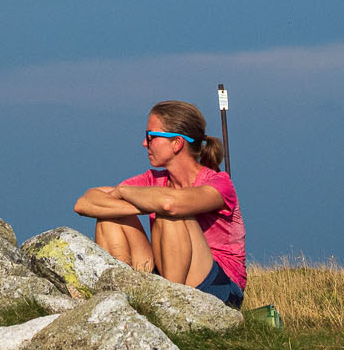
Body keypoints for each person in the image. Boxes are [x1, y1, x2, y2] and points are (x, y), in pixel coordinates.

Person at [73, 100, 246, 308]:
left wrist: (126, 193)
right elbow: (84, 203)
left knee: (171, 214)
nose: (145, 144)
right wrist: (141, 205)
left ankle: (169, 308)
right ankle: (120, 301)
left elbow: (169, 204)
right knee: (109, 217)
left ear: (177, 143)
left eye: (151, 137)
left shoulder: (219, 183)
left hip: (219, 286)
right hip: (167, 271)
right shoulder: (153, 180)